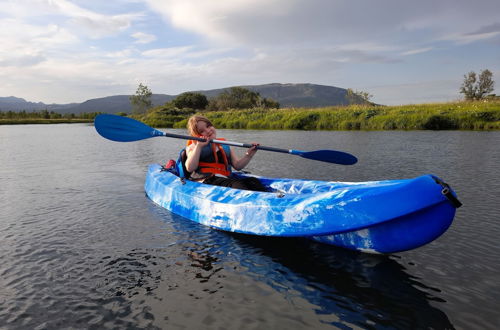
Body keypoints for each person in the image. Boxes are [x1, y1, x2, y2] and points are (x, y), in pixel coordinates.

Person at [183, 115, 267, 191]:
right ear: (196, 136)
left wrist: (249, 154)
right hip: (205, 180)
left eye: (208, 126)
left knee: (253, 181)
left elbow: (238, 166)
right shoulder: (193, 147)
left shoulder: (224, 145)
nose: (208, 131)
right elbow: (190, 168)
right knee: (237, 185)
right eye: (202, 131)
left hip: (224, 179)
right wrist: (199, 147)